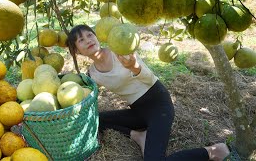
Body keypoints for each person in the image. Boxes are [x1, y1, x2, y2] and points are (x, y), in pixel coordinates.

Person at [66, 24, 230, 161]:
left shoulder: (120, 51)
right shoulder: (92, 74)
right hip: (138, 110)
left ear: (97, 36)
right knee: (96, 119)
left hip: (158, 105)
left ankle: (213, 151)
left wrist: (134, 67)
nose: (88, 40)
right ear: (77, 51)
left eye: (89, 35)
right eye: (81, 40)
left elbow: (150, 78)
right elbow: (85, 96)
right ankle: (138, 136)